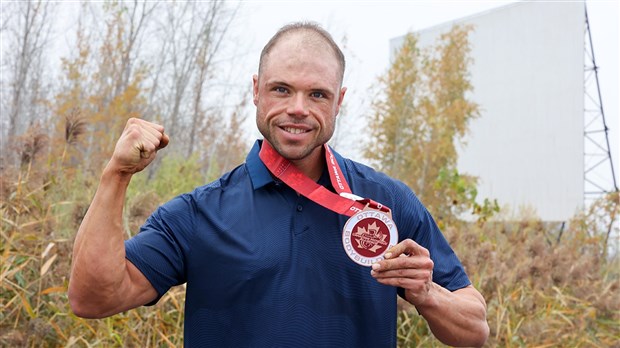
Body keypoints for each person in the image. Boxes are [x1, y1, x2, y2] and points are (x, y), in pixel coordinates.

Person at [69, 22, 489, 347]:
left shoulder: (386, 203)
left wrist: (427, 293)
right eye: (281, 89)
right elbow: (94, 299)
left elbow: (475, 330)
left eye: (318, 95)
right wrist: (116, 175)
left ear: (339, 100)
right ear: (256, 91)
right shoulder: (199, 214)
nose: (297, 109)